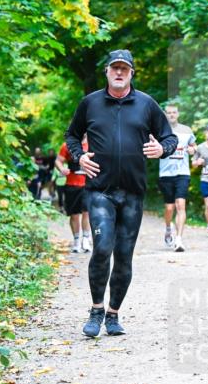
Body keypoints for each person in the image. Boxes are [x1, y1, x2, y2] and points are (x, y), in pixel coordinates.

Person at [65, 49, 178, 337]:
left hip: (132, 193)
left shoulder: (146, 104)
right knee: (102, 248)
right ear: (106, 71)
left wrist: (161, 149)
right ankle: (96, 310)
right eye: (114, 68)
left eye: (124, 69)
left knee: (124, 255)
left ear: (131, 73)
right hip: (99, 190)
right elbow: (72, 136)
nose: (119, 72)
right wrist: (79, 157)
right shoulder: (90, 103)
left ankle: (113, 315)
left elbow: (170, 138)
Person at [158, 104, 197, 252]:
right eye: (169, 113)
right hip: (166, 174)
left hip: (183, 173)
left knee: (181, 205)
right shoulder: (161, 130)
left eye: (174, 112)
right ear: (165, 115)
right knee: (169, 208)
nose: (172, 115)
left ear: (178, 114)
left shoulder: (186, 130)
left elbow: (194, 147)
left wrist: (193, 150)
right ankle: (168, 228)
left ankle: (179, 239)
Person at [55, 133, 92, 253]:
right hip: (72, 184)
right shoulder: (67, 145)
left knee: (87, 212)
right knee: (74, 215)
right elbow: (58, 161)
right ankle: (76, 241)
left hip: (88, 184)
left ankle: (86, 240)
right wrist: (62, 169)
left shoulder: (93, 144)